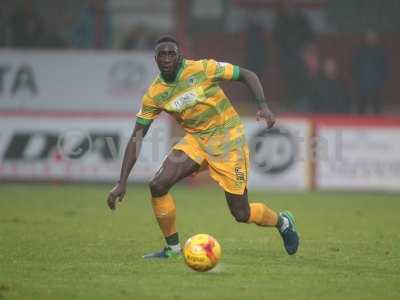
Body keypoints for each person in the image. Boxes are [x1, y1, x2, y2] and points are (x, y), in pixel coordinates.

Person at [107, 36, 299, 258]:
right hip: (197, 142)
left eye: (172, 54)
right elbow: (137, 136)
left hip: (229, 141)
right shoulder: (155, 94)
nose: (167, 58)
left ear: (180, 56)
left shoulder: (204, 68)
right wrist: (122, 182)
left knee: (241, 213)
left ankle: (283, 222)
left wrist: (263, 106)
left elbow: (247, 75)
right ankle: (172, 249)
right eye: (162, 54)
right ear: (155, 59)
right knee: (158, 185)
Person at [353, 29, 388, 114]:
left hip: (376, 82)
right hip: (362, 82)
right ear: (365, 38)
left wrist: (382, 79)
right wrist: (357, 77)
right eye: (369, 37)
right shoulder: (360, 50)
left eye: (373, 37)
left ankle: (378, 122)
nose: (371, 39)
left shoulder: (381, 50)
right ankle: (360, 122)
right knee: (361, 106)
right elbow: (354, 65)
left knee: (377, 106)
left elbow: (385, 66)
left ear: (376, 38)